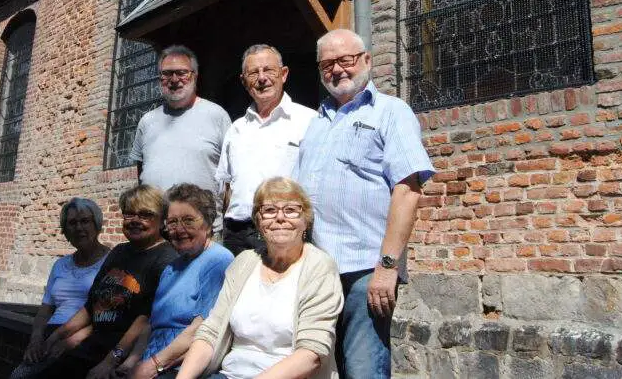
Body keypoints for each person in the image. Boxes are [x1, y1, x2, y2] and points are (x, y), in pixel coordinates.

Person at [293, 28, 434, 379]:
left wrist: (387, 266)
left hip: (364, 269)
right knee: (320, 369)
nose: (337, 69)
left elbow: (408, 190)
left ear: (366, 61)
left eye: (346, 60)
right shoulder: (316, 122)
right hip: (316, 269)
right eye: (328, 64)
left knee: (362, 368)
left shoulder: (390, 112)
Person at [174, 177, 343, 379]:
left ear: (305, 220)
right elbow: (211, 332)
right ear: (258, 221)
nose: (280, 218)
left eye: (290, 210)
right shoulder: (244, 262)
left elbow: (312, 353)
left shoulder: (319, 267)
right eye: (269, 210)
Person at [30, 185, 178, 379]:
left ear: (162, 220)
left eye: (145, 215)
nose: (135, 221)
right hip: (91, 346)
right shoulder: (119, 252)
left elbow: (145, 319)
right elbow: (91, 306)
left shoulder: (166, 259)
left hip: (120, 355)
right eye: (129, 214)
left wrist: (111, 361)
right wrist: (57, 336)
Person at [118, 183, 233, 379]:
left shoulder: (218, 260)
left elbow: (201, 330)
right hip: (150, 360)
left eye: (188, 220)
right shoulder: (172, 266)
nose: (179, 229)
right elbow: (151, 325)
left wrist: (153, 366)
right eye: (172, 222)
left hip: (181, 366)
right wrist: (130, 362)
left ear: (208, 222)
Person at [216, 44, 316, 255]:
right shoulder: (236, 129)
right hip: (237, 233)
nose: (262, 78)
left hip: (283, 230)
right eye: (254, 72)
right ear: (244, 82)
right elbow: (227, 188)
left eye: (268, 70)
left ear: (284, 74)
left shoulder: (309, 121)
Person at [10, 198, 111, 379]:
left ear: (97, 225)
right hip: (52, 334)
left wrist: (69, 341)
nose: (79, 228)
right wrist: (36, 338)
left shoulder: (111, 262)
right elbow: (45, 310)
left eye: (85, 221)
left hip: (87, 338)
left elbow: (111, 315)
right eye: (72, 223)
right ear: (65, 231)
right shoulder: (60, 265)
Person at [130, 45, 231, 211]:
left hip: (203, 229)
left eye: (182, 73)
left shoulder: (217, 116)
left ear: (195, 76)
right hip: (156, 228)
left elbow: (230, 179)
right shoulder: (147, 122)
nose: (174, 79)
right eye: (167, 74)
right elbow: (141, 175)